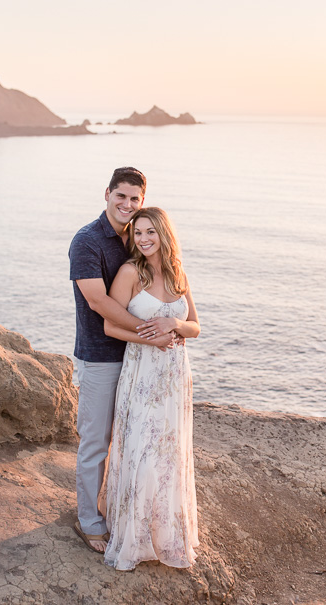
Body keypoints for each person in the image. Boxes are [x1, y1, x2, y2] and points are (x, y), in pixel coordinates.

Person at [68, 167, 176, 554]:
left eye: (135, 199)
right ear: (108, 194)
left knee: (132, 440)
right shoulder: (87, 241)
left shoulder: (137, 237)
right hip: (102, 354)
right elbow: (99, 303)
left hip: (141, 361)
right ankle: (88, 520)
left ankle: (120, 512)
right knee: (96, 440)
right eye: (121, 196)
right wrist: (151, 331)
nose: (128, 205)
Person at [101, 206, 201, 570]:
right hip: (142, 373)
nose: (143, 239)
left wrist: (174, 322)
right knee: (142, 453)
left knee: (168, 455)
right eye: (138, 232)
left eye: (150, 232)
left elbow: (195, 327)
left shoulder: (178, 273)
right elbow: (111, 327)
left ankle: (167, 536)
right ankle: (134, 536)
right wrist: (151, 342)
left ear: (163, 234)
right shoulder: (129, 272)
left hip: (174, 376)